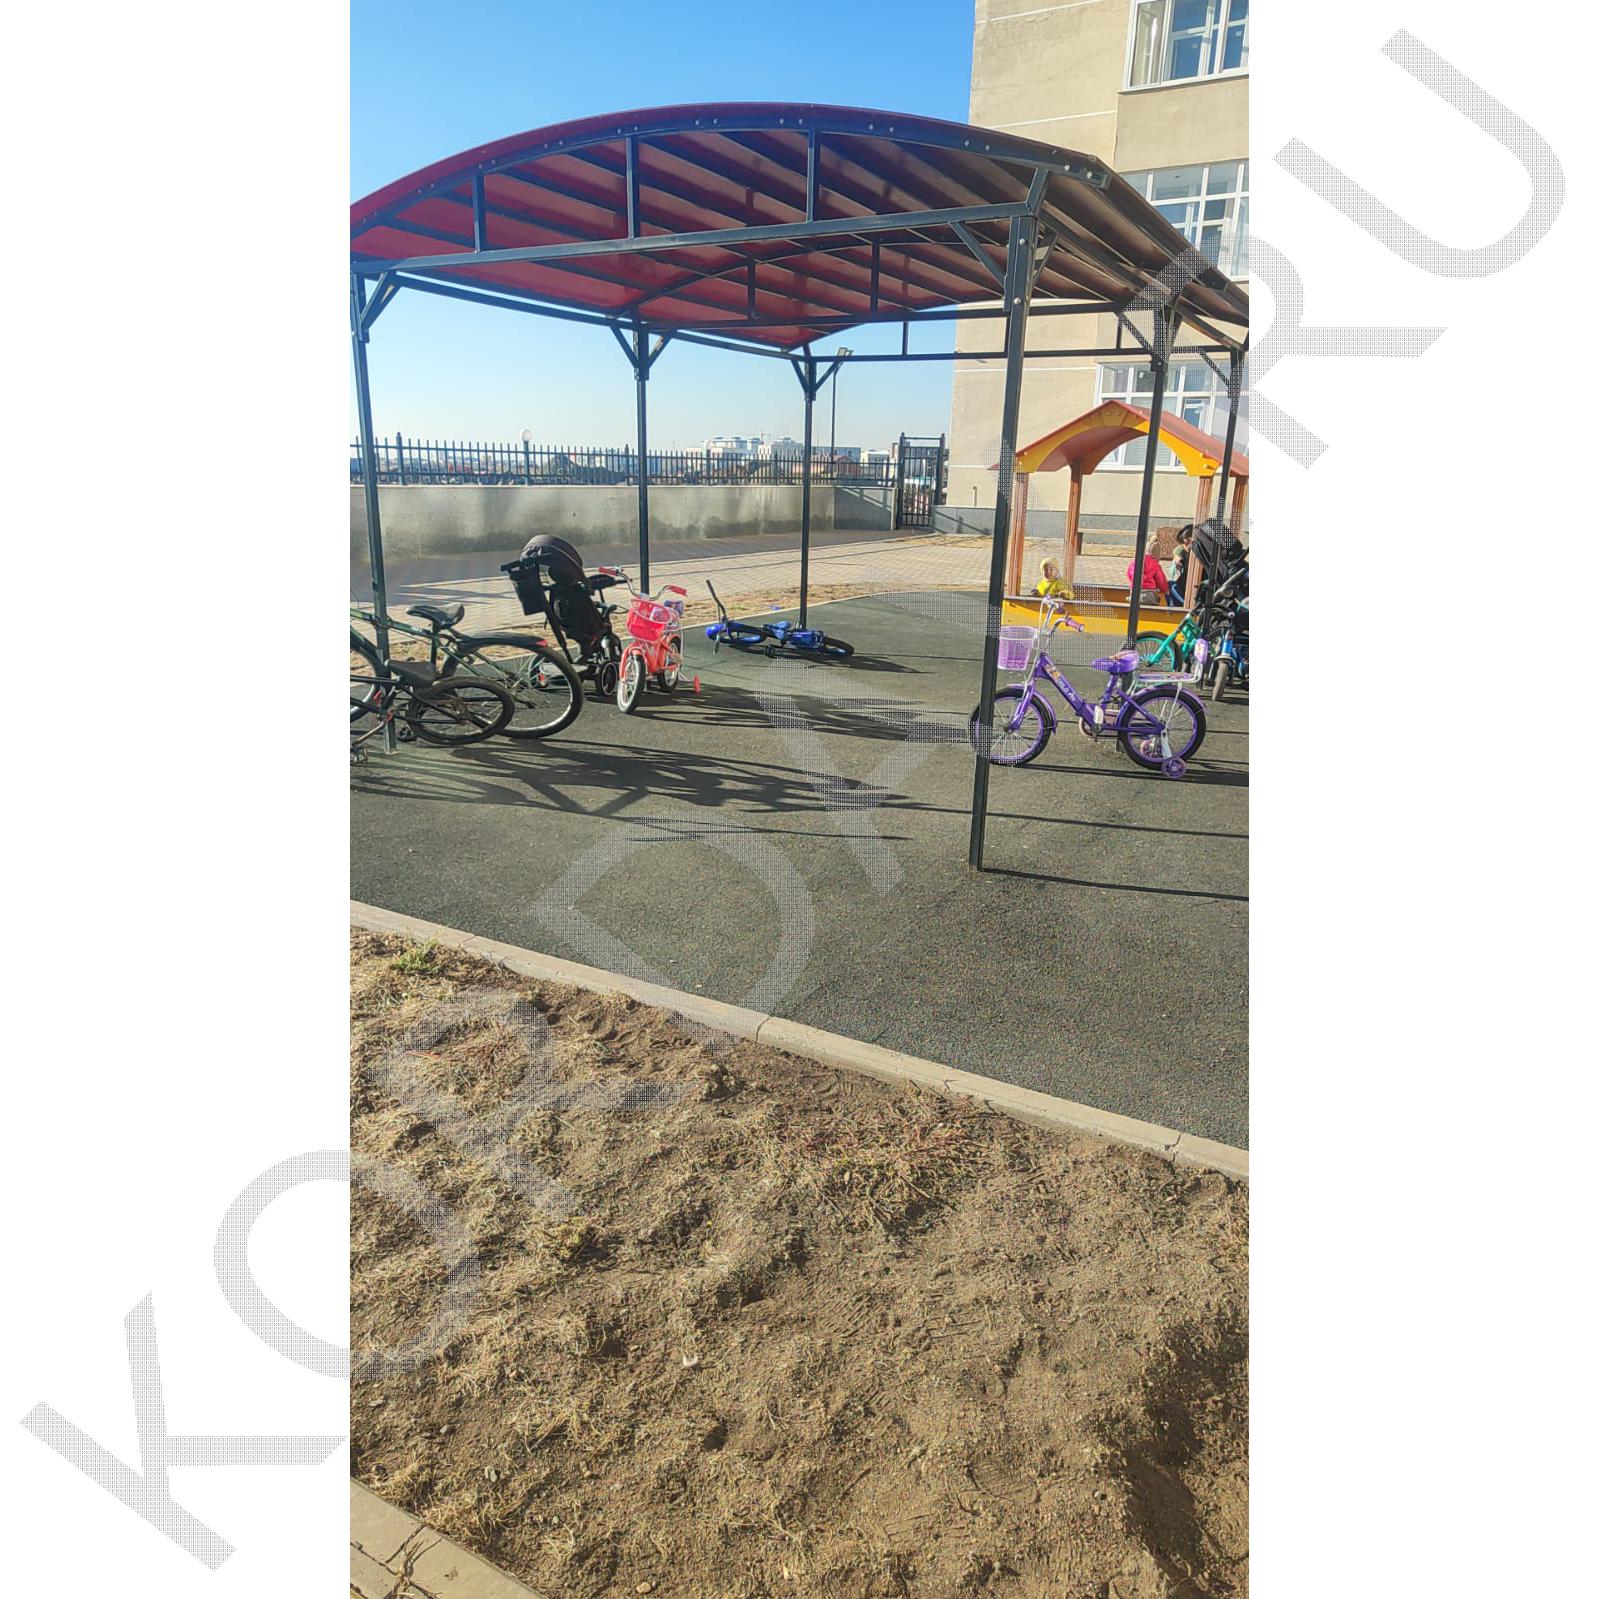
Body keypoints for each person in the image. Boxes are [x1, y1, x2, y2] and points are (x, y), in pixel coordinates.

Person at [1168, 526, 1193, 607]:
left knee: (1171, 586)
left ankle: (1184, 605)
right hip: (1183, 578)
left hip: (1187, 582)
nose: (1186, 545)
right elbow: (1178, 560)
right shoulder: (1180, 550)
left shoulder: (1195, 552)